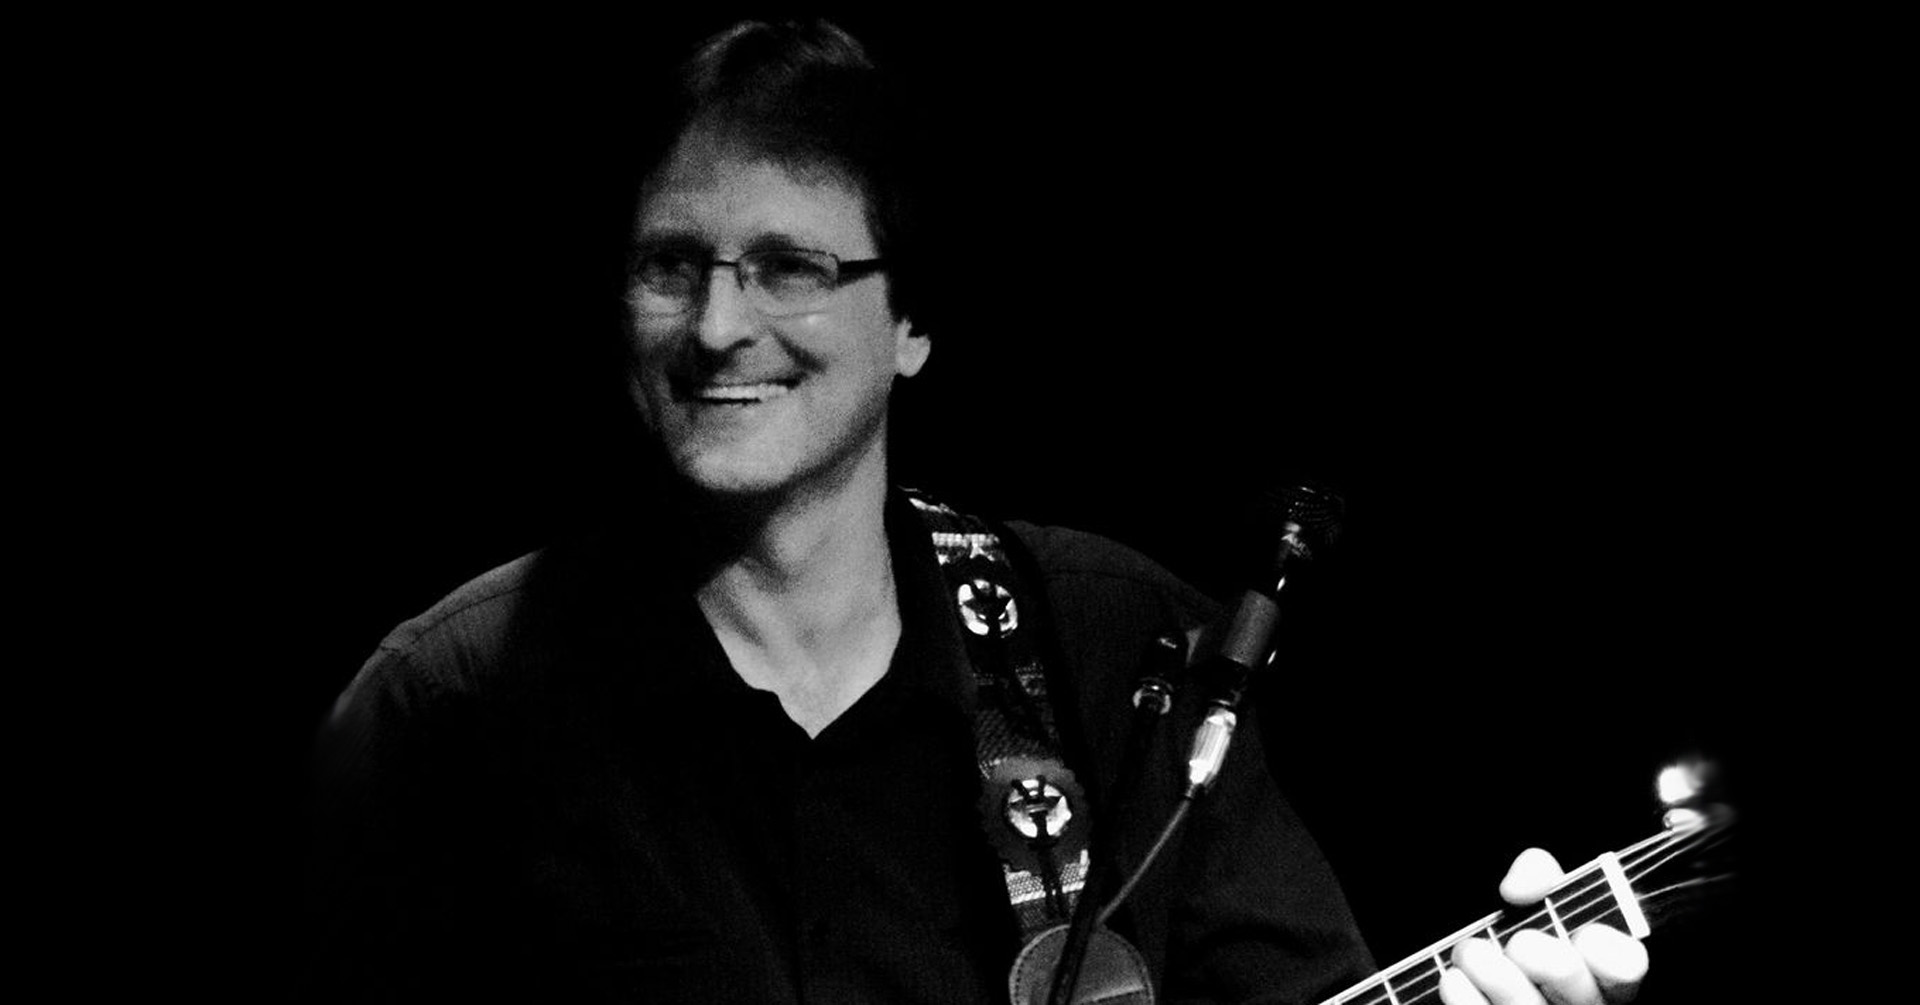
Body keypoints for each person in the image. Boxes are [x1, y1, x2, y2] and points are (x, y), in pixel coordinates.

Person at [306, 19, 1650, 1004]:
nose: (717, 326)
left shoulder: (1123, 651)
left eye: (789, 267)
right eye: (671, 265)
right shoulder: (449, 704)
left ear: (914, 323)